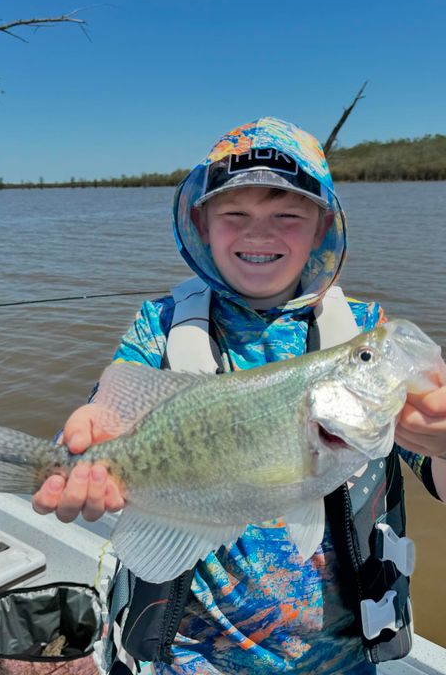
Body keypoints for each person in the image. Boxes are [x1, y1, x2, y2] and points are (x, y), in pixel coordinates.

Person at [32, 117, 446, 674]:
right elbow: (103, 416)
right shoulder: (160, 327)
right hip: (185, 654)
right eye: (235, 214)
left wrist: (442, 442)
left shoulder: (365, 328)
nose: (259, 233)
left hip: (342, 656)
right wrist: (74, 453)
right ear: (202, 223)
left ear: (321, 225)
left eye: (287, 215)